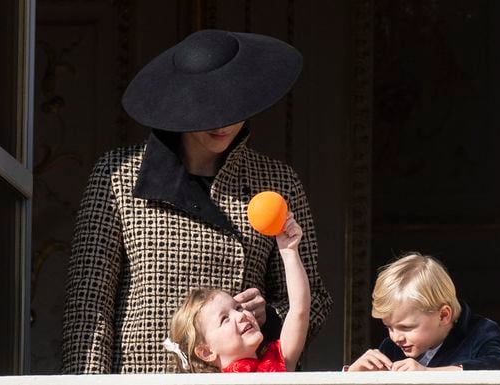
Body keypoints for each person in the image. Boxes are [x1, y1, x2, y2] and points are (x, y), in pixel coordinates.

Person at [61, 29, 332, 374]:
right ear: (178, 103)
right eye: (207, 107)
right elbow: (88, 307)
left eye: (234, 106)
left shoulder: (276, 181)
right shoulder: (118, 176)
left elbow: (315, 302)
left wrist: (270, 316)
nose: (223, 122)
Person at [164, 212, 309, 372]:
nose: (241, 315)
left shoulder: (278, 360)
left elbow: (299, 311)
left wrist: (289, 252)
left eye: (238, 307)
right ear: (206, 352)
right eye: (225, 319)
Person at [347, 252, 500, 371]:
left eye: (406, 327)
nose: (396, 337)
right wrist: (354, 377)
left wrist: (429, 374)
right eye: (389, 327)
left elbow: (499, 365)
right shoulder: (391, 348)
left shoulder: (479, 332)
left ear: (443, 315)